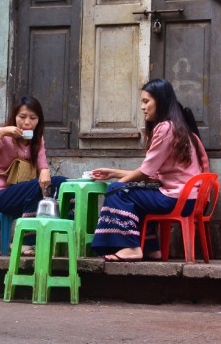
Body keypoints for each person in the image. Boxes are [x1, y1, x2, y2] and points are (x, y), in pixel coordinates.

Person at [90, 78, 209, 261]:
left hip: (178, 199)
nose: (142, 107)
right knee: (133, 193)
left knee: (117, 191)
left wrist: (117, 185)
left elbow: (145, 172)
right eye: (142, 102)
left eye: (146, 101)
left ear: (159, 102)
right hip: (191, 199)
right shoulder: (180, 128)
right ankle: (151, 248)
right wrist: (114, 173)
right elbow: (150, 172)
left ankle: (130, 247)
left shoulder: (165, 128)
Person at [0, 96, 66, 255]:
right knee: (34, 186)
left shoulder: (37, 140)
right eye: (22, 117)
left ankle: (64, 236)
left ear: (38, 121)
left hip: (22, 197)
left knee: (62, 182)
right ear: (14, 118)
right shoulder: (2, 137)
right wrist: (1, 133)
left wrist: (45, 170)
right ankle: (26, 242)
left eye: (33, 118)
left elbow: (43, 168)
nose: (27, 122)